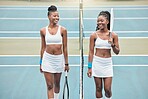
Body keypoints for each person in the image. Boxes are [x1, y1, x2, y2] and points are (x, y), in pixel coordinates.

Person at [87, 11, 120, 99]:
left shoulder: (113, 35)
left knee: (107, 89)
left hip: (107, 64)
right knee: (98, 88)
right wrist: (89, 67)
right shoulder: (93, 35)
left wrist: (112, 44)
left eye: (102, 21)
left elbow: (117, 52)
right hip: (97, 63)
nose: (99, 23)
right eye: (98, 21)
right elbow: (90, 52)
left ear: (107, 22)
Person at [39, 5, 69, 99]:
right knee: (49, 86)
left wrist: (66, 63)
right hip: (47, 59)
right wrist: (41, 63)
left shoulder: (63, 30)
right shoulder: (43, 31)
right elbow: (43, 47)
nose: (57, 18)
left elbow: (65, 48)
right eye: (54, 16)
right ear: (49, 16)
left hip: (58, 60)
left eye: (57, 16)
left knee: (57, 84)